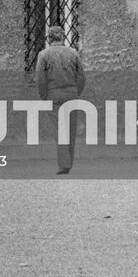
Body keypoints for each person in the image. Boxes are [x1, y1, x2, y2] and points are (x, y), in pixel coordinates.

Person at [33, 24, 86, 174]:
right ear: (62, 37)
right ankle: (69, 161)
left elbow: (40, 79)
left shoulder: (43, 55)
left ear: (49, 39)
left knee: (59, 130)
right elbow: (81, 76)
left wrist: (44, 96)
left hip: (54, 96)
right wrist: (76, 92)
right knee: (70, 130)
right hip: (71, 95)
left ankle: (64, 164)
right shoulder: (73, 53)